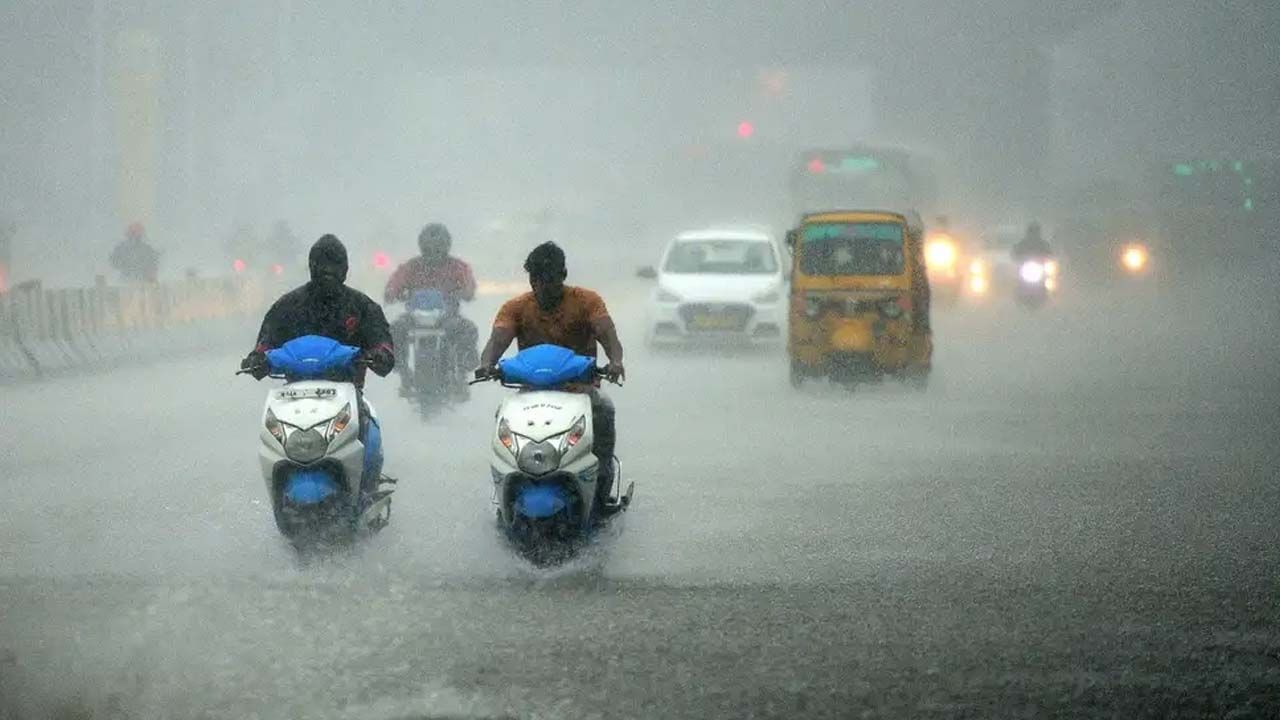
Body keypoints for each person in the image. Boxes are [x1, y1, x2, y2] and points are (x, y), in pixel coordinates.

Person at [476, 241, 626, 512]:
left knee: (604, 412)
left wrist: (615, 361)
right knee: (502, 417)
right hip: (530, 394)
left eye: (549, 279)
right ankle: (504, 493)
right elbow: (496, 342)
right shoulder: (516, 307)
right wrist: (487, 364)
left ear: (563, 275)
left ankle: (601, 492)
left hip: (580, 391)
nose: (542, 287)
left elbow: (609, 336)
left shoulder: (587, 301)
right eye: (536, 280)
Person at [240, 234, 395, 386]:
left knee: (367, 413)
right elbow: (267, 342)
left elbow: (381, 341)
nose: (328, 271)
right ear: (311, 267)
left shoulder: (363, 307)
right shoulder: (286, 307)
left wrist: (380, 356)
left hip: (349, 395)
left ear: (345, 269)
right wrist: (257, 359)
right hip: (294, 396)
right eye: (322, 265)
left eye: (334, 265)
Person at [383, 222, 479, 398]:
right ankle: (404, 375)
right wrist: (393, 293)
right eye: (429, 248)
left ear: (446, 246)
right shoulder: (411, 267)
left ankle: (461, 376)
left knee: (468, 330)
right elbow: (393, 287)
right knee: (394, 330)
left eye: (438, 248)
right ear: (422, 246)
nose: (434, 252)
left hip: (448, 318)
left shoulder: (458, 267)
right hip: (414, 317)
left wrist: (463, 292)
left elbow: (469, 288)